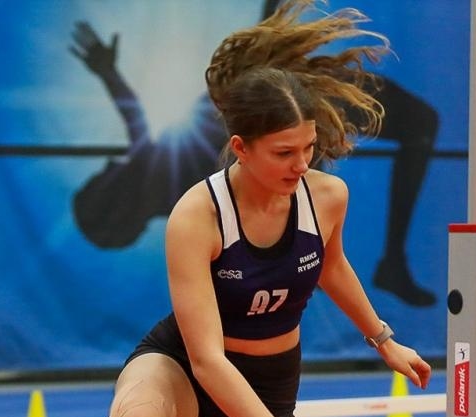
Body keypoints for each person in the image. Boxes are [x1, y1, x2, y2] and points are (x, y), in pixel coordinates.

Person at [41, 0, 429, 417]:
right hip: (191, 369)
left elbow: (330, 264)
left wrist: (384, 339)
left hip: (270, 381)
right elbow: (208, 358)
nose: (300, 164)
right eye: (284, 153)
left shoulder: (326, 195)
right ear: (240, 148)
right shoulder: (196, 216)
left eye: (307, 148)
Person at [70, 0, 440, 306]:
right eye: (101, 179)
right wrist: (107, 72)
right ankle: (392, 259)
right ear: (116, 202)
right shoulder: (181, 198)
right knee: (420, 123)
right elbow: (135, 120)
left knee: (419, 124)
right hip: (271, 106)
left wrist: (108, 73)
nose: (105, 166)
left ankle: (392, 259)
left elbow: (133, 120)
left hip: (262, 97)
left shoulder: (175, 199)